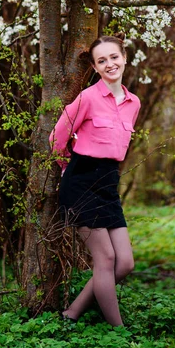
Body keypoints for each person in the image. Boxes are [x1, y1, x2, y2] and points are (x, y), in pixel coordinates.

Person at [49, 35, 140, 327]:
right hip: (81, 181)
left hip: (108, 183)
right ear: (95, 67)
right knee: (105, 260)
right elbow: (56, 138)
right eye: (102, 61)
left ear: (125, 57)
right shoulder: (87, 98)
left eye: (114, 57)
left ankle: (73, 312)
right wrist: (67, 168)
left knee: (124, 263)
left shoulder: (133, 103)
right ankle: (120, 333)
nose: (110, 64)